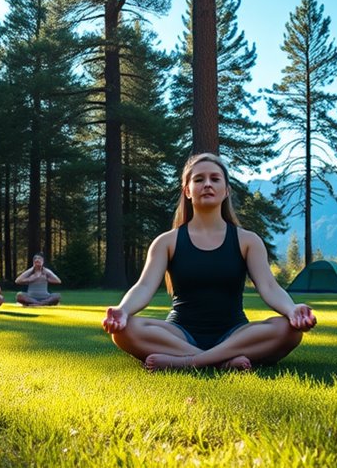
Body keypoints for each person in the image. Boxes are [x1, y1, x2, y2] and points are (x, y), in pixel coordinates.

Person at [102, 153, 317, 371]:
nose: (207, 184)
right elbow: (144, 286)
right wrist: (123, 310)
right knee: (123, 330)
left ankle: (188, 362)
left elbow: (270, 287)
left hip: (235, 334)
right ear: (187, 191)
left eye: (215, 179)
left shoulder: (248, 241)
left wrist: (292, 310)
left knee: (289, 330)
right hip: (179, 334)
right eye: (198, 179)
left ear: (226, 191)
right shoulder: (166, 242)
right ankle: (223, 362)